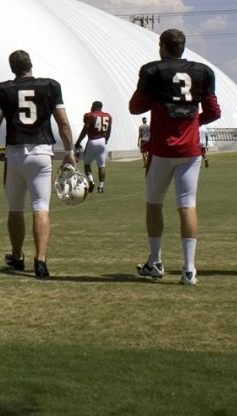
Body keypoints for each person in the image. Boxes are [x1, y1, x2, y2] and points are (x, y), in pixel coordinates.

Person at [128, 28, 221, 286]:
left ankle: (155, 261)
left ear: (163, 46)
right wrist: (192, 122)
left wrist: (158, 100)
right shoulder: (202, 71)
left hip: (162, 150)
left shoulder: (153, 71)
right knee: (187, 205)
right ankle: (189, 269)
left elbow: (135, 107)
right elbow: (214, 111)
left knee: (154, 203)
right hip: (190, 150)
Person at [0, 50, 76, 279]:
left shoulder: (2, 89)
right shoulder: (51, 86)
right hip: (42, 153)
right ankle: (40, 260)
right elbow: (63, 124)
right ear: (31, 65)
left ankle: (18, 255)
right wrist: (69, 151)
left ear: (12, 69)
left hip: (15, 154)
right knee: (41, 207)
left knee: (15, 209)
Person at [73, 100, 112, 193]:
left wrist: (78, 141)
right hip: (102, 140)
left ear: (94, 106)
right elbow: (109, 130)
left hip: (93, 140)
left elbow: (85, 129)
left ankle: (91, 181)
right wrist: (106, 140)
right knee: (101, 166)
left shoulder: (90, 115)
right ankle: (101, 187)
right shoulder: (108, 116)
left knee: (86, 164)